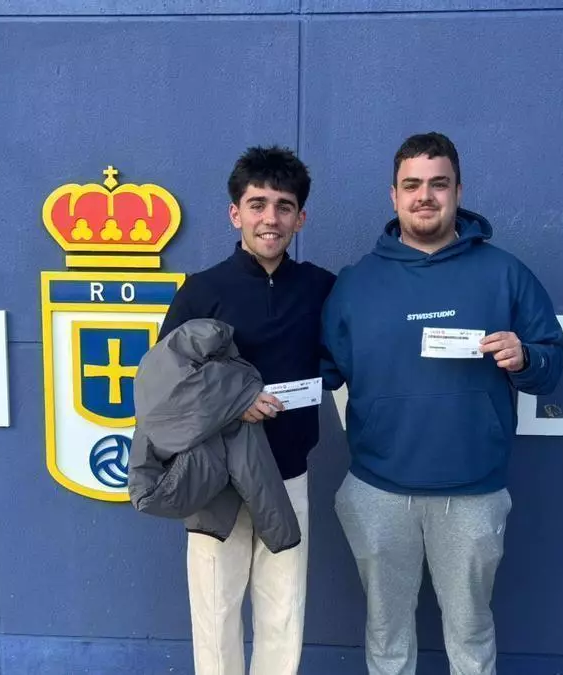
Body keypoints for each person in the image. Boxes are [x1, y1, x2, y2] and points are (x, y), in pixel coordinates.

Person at [320, 132, 563, 675]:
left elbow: (553, 363)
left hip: (473, 492)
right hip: (378, 491)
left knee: (471, 635)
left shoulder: (504, 273)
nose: (424, 196)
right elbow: (317, 369)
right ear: (394, 195)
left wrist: (526, 356)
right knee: (386, 637)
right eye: (412, 185)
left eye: (438, 184)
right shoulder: (356, 284)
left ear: (458, 190)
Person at [158, 145, 336, 675]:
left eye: (284, 206)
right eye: (257, 204)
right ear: (235, 213)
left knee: (285, 611)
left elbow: (351, 354)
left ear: (300, 218)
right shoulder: (202, 291)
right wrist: (235, 401)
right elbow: (164, 384)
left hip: (289, 475)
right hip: (219, 479)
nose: (270, 218)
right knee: (216, 613)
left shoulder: (320, 288)